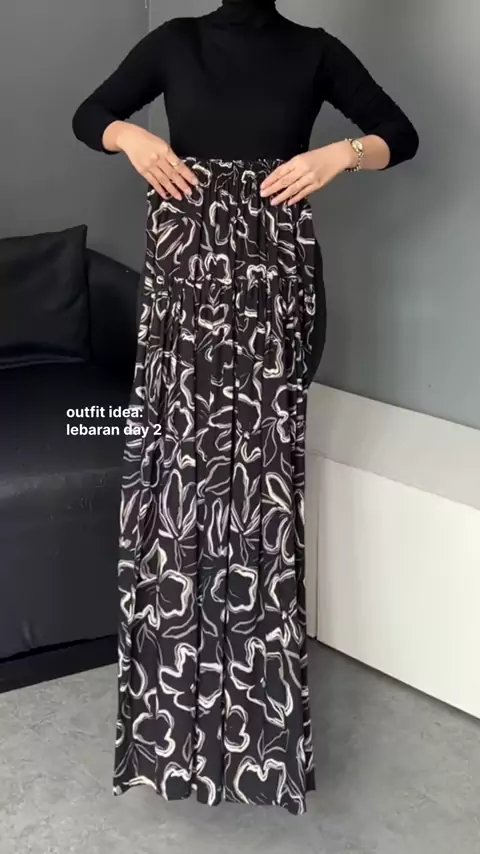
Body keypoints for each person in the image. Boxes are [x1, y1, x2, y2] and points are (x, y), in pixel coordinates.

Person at [72, 0, 419, 816]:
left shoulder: (315, 51)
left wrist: (339, 155)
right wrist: (131, 138)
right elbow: (90, 114)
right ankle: (170, 737)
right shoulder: (177, 41)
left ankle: (257, 744)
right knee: (176, 493)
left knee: (261, 500)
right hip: (185, 297)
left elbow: (399, 134)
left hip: (275, 295)